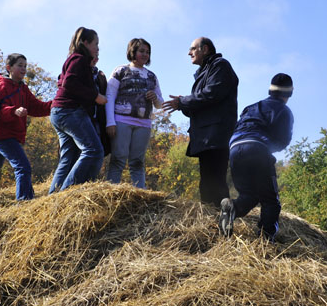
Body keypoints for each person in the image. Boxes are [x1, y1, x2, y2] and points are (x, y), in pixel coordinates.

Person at [219, 73, 294, 242]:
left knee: (250, 195)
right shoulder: (283, 111)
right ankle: (265, 241)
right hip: (257, 147)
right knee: (271, 201)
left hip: (235, 148)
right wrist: (268, 149)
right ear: (289, 93)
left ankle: (233, 208)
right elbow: (283, 140)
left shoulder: (252, 107)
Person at [163, 37, 238, 207]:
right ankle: (212, 223)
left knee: (215, 183)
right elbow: (201, 103)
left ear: (204, 49)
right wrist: (183, 103)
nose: (189, 53)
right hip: (206, 137)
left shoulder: (220, 66)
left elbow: (210, 94)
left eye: (192, 48)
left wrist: (182, 102)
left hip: (215, 136)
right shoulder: (206, 71)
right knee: (207, 183)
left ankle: (222, 222)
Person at [0, 53, 52, 200]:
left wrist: (54, 105)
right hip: (2, 135)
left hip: (12, 135)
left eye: (25, 66)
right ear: (9, 68)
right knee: (23, 167)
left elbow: (36, 107)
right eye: (20, 65)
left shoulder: (23, 88)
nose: (23, 69)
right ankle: (24, 202)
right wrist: (14, 111)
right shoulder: (2, 86)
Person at [49, 27, 107, 193]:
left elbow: (63, 82)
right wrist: (95, 96)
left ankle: (53, 197)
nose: (97, 48)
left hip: (59, 112)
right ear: (85, 43)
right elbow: (69, 83)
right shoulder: (79, 59)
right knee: (94, 150)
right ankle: (66, 194)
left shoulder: (73, 59)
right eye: (95, 44)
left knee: (68, 157)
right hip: (70, 111)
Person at [105, 38, 163, 188]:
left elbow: (160, 104)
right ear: (132, 52)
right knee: (118, 158)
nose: (145, 55)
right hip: (121, 121)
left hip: (144, 124)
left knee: (137, 162)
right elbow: (109, 96)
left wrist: (155, 97)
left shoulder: (152, 76)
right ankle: (111, 192)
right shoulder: (120, 71)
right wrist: (110, 122)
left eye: (147, 52)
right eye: (141, 51)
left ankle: (140, 195)